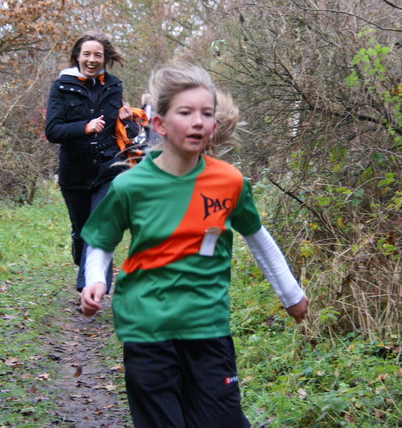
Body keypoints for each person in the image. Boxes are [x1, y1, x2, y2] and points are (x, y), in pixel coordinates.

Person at [80, 64, 309, 427]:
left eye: (206, 113)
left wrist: (291, 294)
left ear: (214, 126)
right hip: (147, 326)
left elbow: (257, 236)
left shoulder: (229, 181)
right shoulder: (131, 186)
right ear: (160, 124)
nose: (198, 121)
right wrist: (95, 280)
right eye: (185, 113)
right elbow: (101, 242)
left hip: (207, 326)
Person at [44, 30, 140, 292]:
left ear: (104, 58)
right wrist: (84, 128)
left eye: (97, 55)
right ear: (77, 56)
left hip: (107, 169)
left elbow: (124, 133)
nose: (91, 59)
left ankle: (91, 287)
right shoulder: (62, 87)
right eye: (86, 54)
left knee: (101, 225)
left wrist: (127, 120)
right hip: (74, 171)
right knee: (82, 229)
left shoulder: (114, 86)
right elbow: (52, 131)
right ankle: (81, 251)